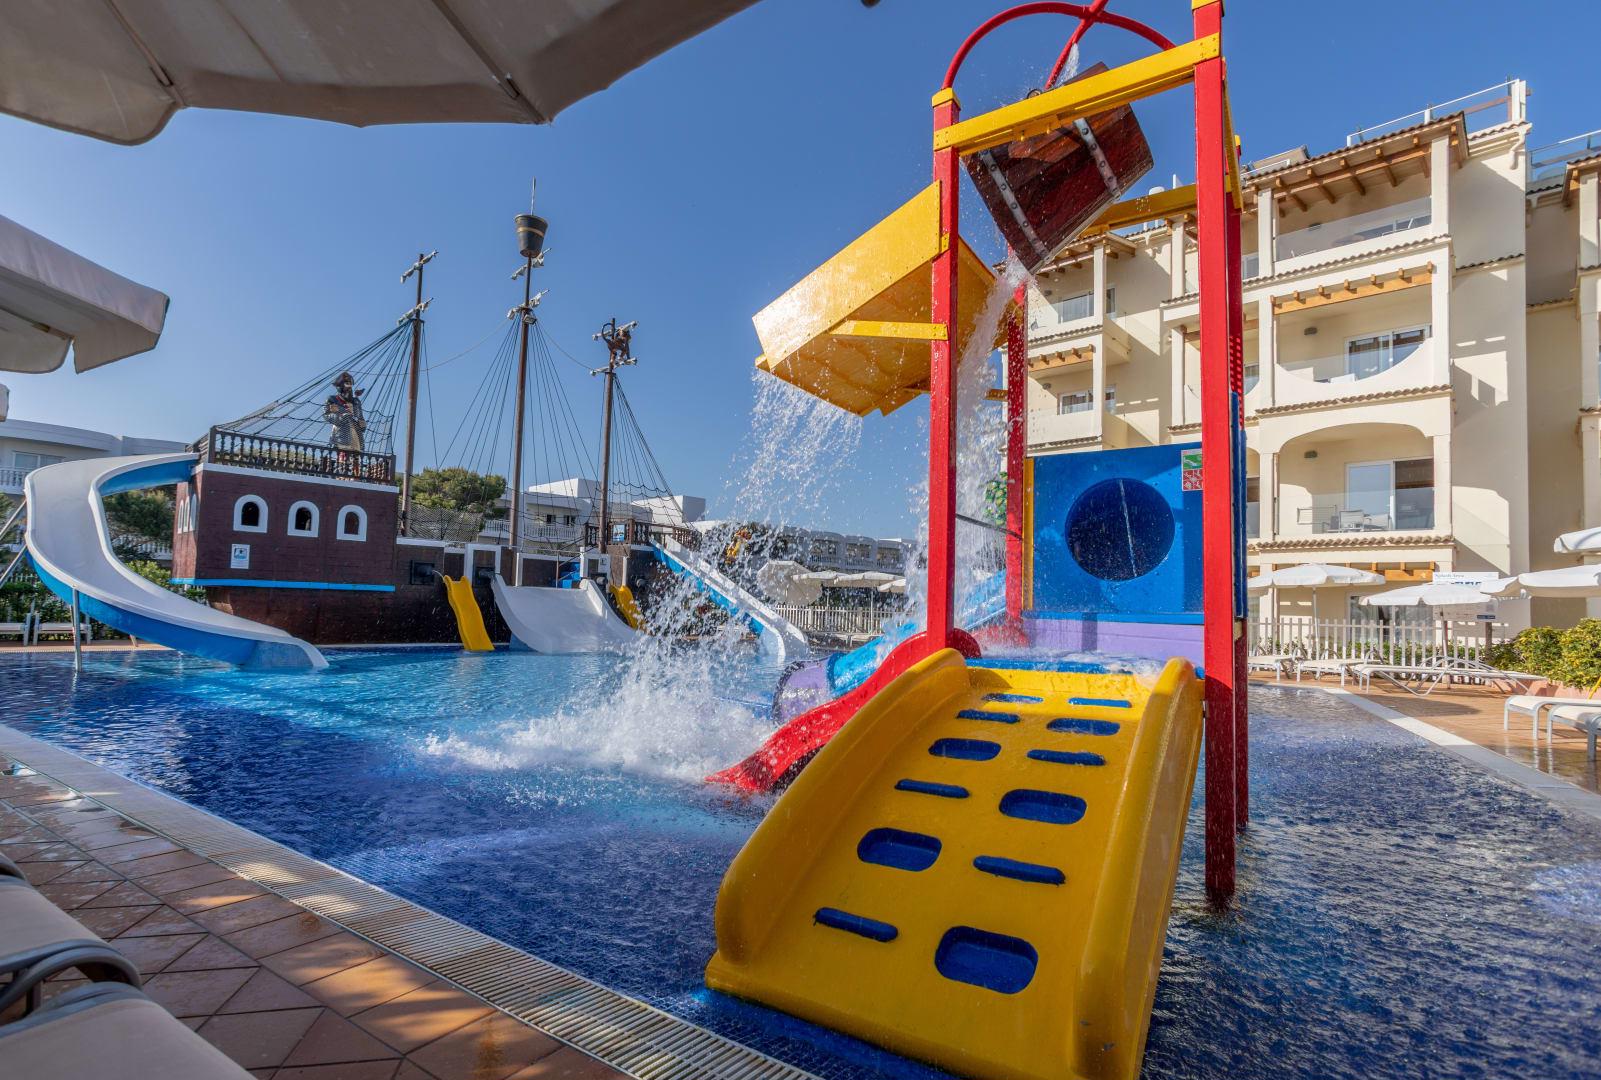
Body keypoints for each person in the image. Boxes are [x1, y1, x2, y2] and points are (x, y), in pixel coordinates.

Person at [323, 371, 366, 453]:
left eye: (350, 384)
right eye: (347, 384)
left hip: (356, 434)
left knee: (356, 456)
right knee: (343, 454)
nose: (349, 387)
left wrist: (363, 424)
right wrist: (341, 417)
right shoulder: (332, 399)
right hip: (341, 433)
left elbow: (361, 417)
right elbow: (327, 415)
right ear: (340, 386)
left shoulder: (356, 402)